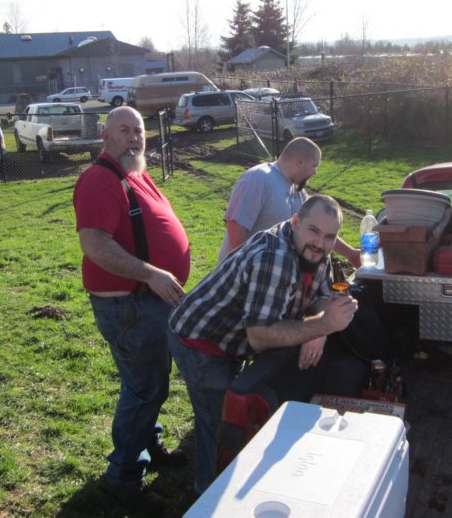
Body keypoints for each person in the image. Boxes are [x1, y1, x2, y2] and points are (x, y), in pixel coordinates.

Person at [169, 194, 359, 494]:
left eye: (329, 237)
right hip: (202, 341)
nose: (320, 243)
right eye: (313, 231)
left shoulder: (314, 250)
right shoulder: (275, 258)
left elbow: (322, 293)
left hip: (234, 340)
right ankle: (207, 495)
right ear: (295, 221)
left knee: (233, 415)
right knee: (219, 425)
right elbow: (260, 335)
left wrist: (319, 330)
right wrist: (323, 325)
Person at [73, 106, 190, 513]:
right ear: (105, 136)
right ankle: (122, 476)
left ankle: (147, 444)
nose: (134, 138)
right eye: (124, 130)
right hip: (130, 306)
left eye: (138, 130)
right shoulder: (100, 180)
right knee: (144, 388)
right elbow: (96, 245)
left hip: (147, 302)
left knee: (150, 382)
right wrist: (153, 274)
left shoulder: (135, 172)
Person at [217, 137, 361, 267]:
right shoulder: (258, 178)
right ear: (300, 162)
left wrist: (351, 253)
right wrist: (246, 269)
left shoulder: (298, 191)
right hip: (240, 282)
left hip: (270, 278)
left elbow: (319, 229)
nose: (315, 173)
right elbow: (235, 228)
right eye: (314, 166)